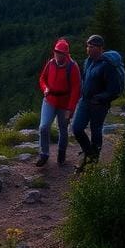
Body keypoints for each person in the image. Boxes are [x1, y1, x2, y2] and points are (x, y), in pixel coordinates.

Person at [72, 34, 123, 172]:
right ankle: (88, 153)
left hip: (99, 105)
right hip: (84, 101)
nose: (88, 49)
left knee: (96, 132)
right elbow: (85, 80)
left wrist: (99, 98)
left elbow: (114, 90)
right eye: (88, 46)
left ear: (100, 48)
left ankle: (92, 161)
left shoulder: (107, 66)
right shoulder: (88, 61)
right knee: (76, 128)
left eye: (92, 46)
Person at [36, 38, 81, 166]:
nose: (57, 54)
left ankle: (61, 153)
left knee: (63, 129)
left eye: (60, 52)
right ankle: (44, 154)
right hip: (49, 100)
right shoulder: (50, 63)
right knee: (43, 127)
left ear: (66, 54)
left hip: (64, 103)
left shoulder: (72, 67)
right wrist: (45, 88)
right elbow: (42, 78)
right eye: (56, 51)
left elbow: (76, 90)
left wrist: (70, 109)